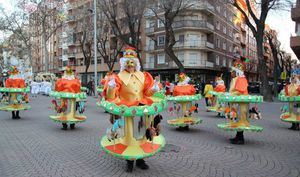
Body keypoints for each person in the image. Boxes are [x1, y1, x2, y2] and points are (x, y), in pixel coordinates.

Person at [104, 46, 160, 172]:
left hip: (141, 108)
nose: (130, 65)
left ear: (136, 64)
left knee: (141, 133)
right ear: (124, 64)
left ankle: (140, 159)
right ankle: (129, 161)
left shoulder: (143, 76)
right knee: (129, 135)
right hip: (127, 109)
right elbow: (111, 96)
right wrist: (111, 87)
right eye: (128, 63)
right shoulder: (118, 77)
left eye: (132, 63)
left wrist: (153, 89)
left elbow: (147, 93)